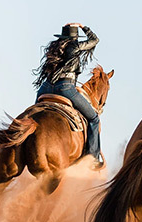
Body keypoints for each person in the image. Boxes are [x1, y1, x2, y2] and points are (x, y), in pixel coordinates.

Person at [33, 23, 103, 167]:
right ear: (75, 38)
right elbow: (95, 40)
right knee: (94, 119)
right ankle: (92, 158)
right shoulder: (74, 47)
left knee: (34, 115)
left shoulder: (54, 49)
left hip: (45, 88)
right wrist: (83, 27)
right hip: (65, 87)